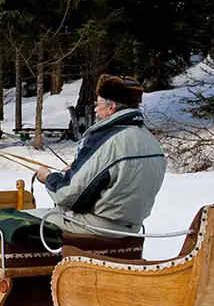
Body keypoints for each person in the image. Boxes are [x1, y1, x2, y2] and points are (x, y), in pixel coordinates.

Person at [33, 75, 167, 238]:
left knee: (22, 219)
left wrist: (48, 178)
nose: (95, 108)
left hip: (97, 226)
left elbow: (68, 195)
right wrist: (78, 170)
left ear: (112, 107)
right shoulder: (151, 141)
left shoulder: (107, 140)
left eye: (98, 104)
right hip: (132, 228)